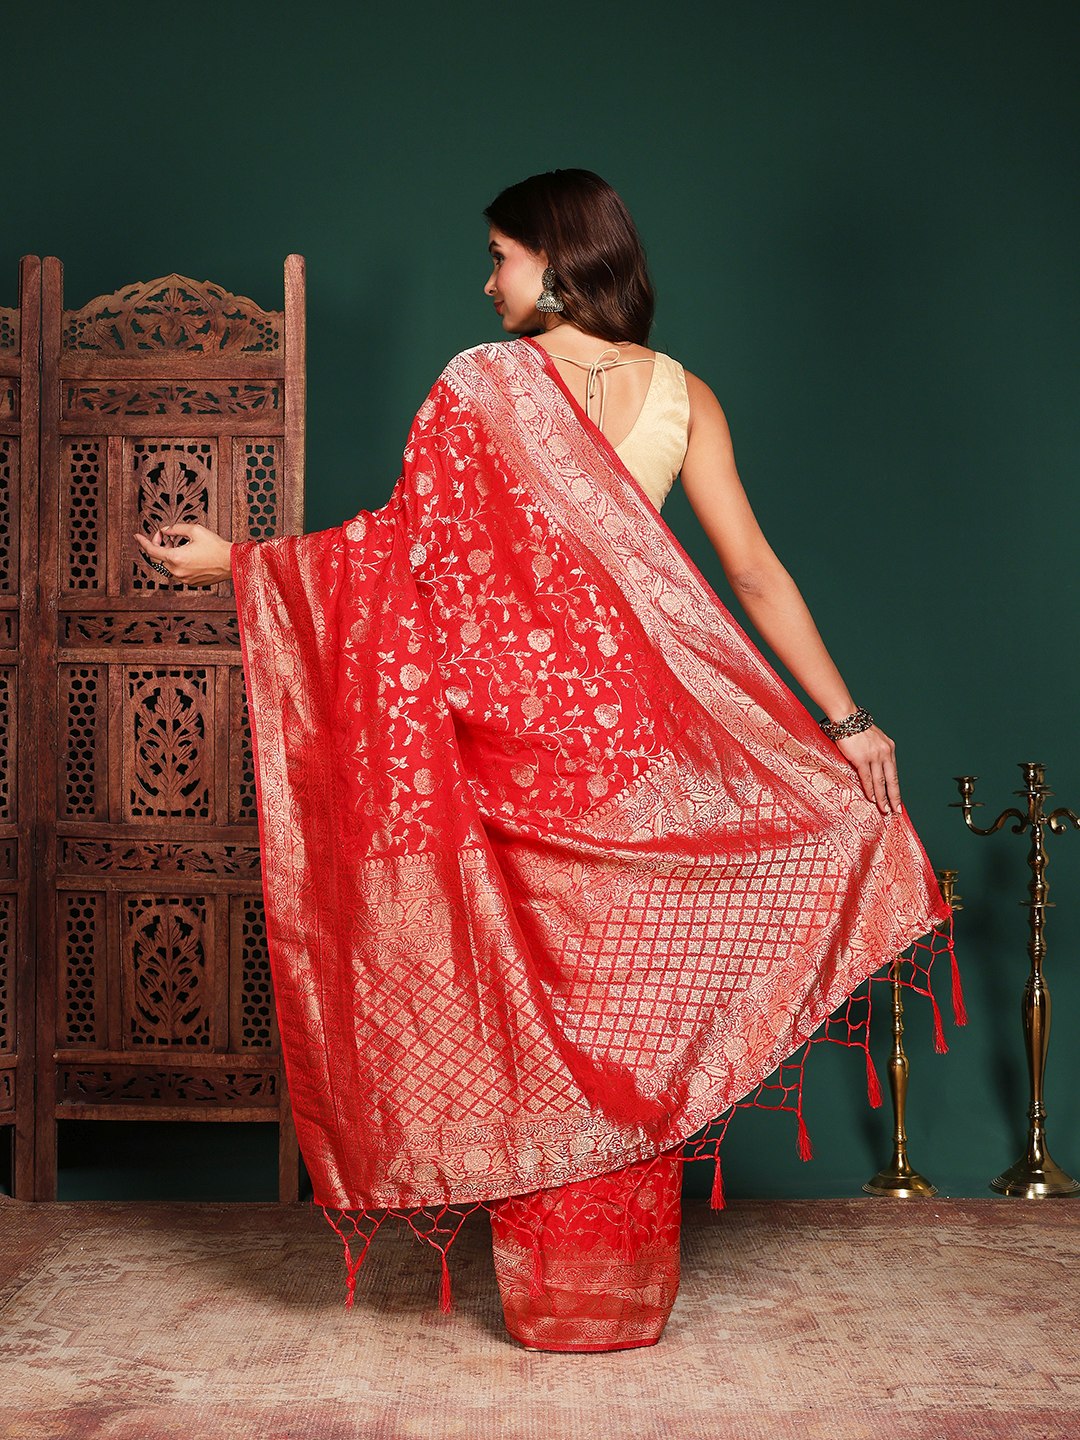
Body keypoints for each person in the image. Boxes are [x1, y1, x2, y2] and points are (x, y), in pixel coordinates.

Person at [133, 169, 949, 1354]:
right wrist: (849, 721)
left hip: (507, 751)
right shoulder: (682, 395)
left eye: (501, 256)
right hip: (640, 755)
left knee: (545, 1025)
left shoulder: (478, 383)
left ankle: (562, 1296)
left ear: (558, 262)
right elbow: (755, 573)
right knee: (626, 1025)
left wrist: (242, 563)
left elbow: (401, 556)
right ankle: (614, 1295)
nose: (488, 282)